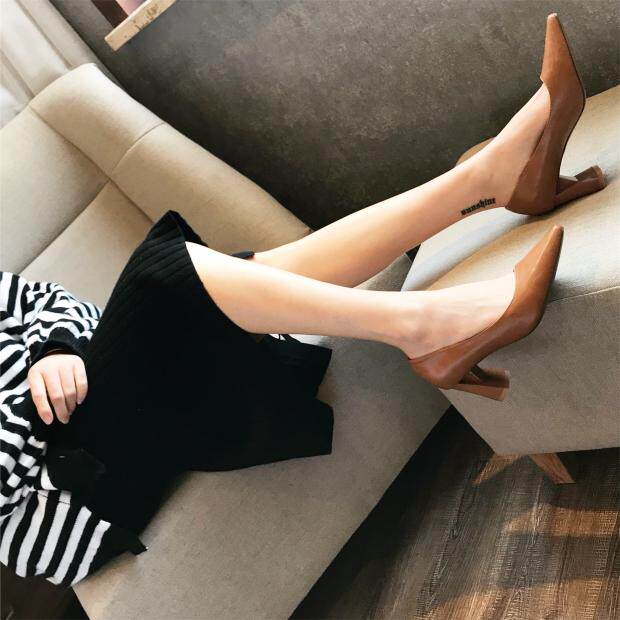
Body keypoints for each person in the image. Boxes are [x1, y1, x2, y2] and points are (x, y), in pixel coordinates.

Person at [0, 13, 605, 587]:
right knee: (160, 281)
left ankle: (496, 185)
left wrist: (54, 350)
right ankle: (431, 315)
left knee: (241, 275)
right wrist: (28, 403)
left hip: (115, 391)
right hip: (74, 486)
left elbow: (46, 302)